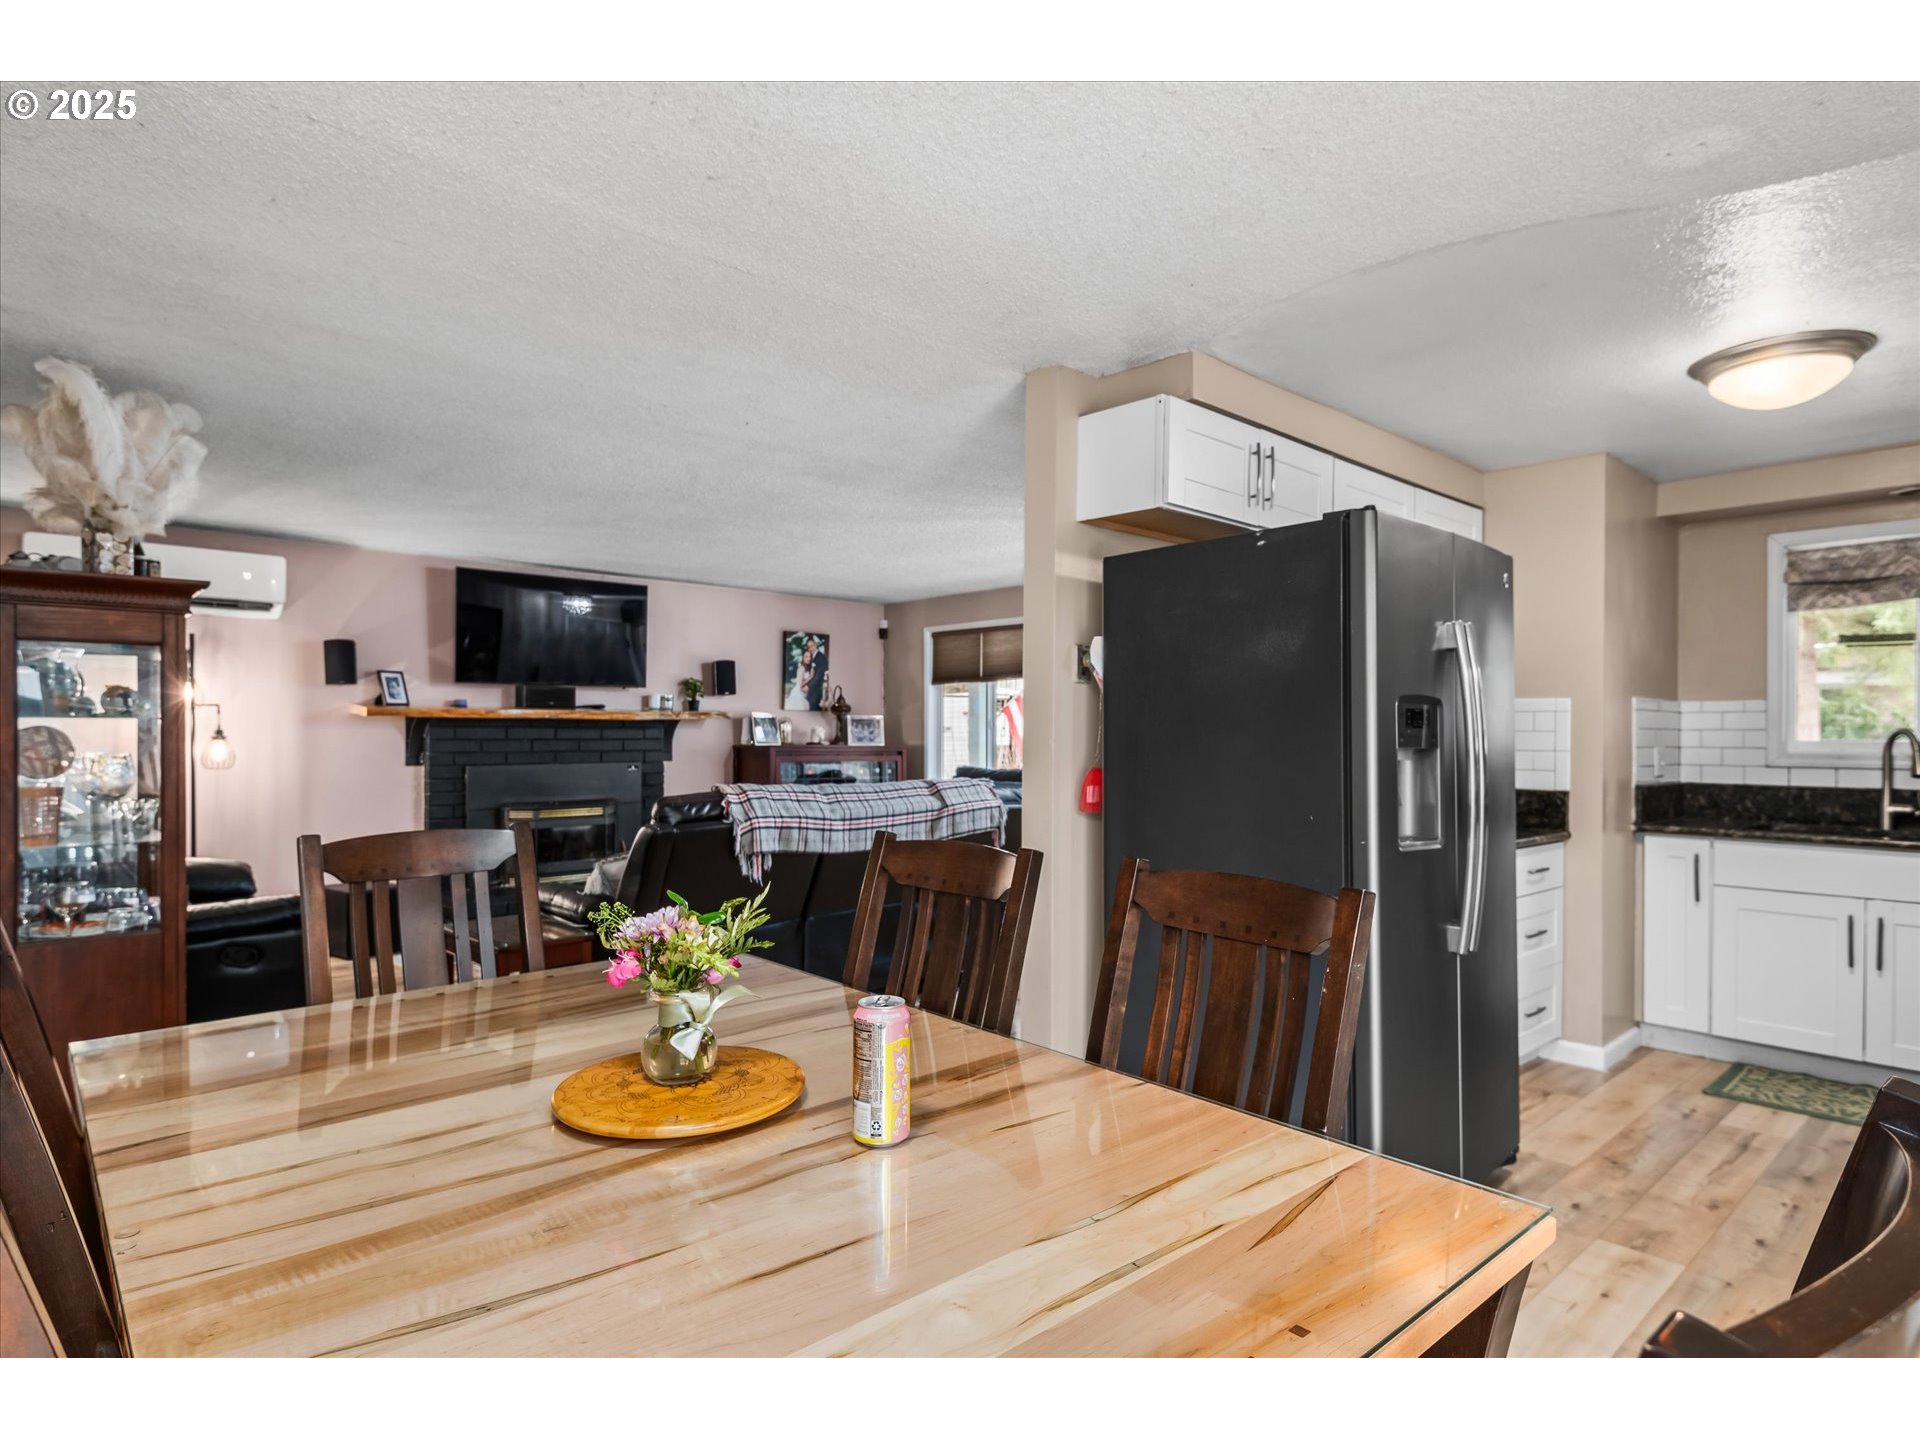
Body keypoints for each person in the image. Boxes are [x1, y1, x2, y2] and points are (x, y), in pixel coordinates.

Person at [785, 635, 818, 710]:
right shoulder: (801, 668)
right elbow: (800, 685)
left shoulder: (809, 668)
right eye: (806, 657)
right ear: (803, 658)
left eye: (810, 657)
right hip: (798, 694)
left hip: (806, 693)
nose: (808, 659)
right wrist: (810, 677)